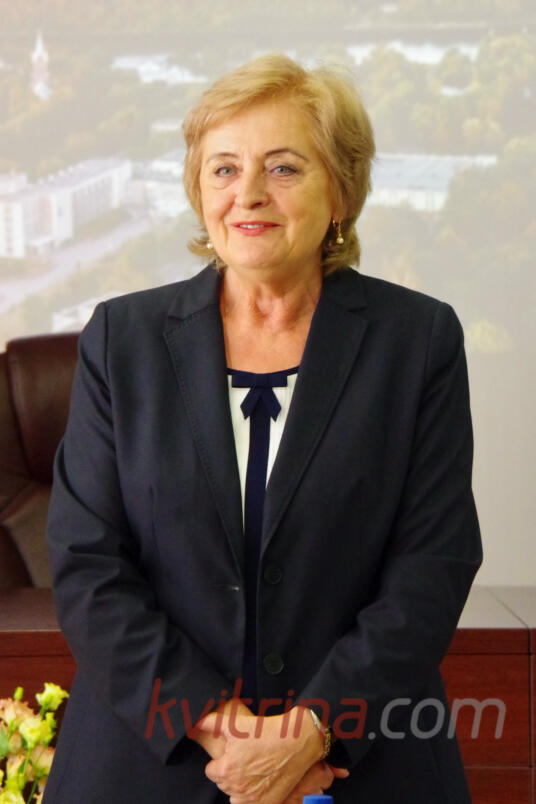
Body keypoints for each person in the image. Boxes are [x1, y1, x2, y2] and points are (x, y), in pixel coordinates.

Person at [44, 53, 482, 803]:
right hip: (149, 763)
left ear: (340, 192)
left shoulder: (418, 341)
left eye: (283, 168)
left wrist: (313, 732)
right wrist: (223, 731)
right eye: (224, 169)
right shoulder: (121, 340)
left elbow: (433, 564)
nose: (248, 192)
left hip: (358, 763)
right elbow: (87, 564)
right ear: (199, 189)